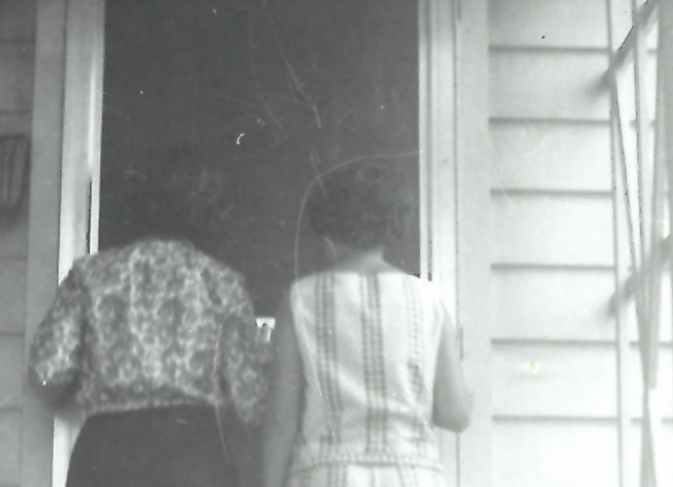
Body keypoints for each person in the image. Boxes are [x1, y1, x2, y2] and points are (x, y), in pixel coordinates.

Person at [30, 146, 270, 487]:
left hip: (107, 452)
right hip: (192, 454)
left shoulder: (92, 276)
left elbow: (47, 372)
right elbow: (254, 397)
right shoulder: (222, 283)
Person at [262, 162, 473, 487]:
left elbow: (281, 423)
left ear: (327, 231)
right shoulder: (429, 301)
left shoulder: (301, 300)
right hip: (412, 477)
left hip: (327, 475)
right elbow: (456, 413)